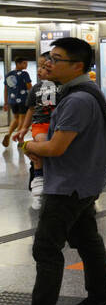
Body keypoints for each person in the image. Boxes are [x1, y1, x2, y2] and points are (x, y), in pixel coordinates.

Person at [10, 38, 106, 305]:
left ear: (77, 66)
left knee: (45, 249)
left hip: (68, 184)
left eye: (56, 59)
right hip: (84, 180)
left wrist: (27, 145)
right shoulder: (82, 93)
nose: (48, 64)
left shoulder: (76, 100)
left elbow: (56, 147)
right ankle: (101, 297)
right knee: (87, 239)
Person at [10, 53, 58, 210]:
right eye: (39, 66)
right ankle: (38, 188)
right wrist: (24, 128)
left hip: (57, 126)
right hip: (40, 125)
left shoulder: (61, 86)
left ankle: (44, 187)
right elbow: (31, 109)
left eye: (44, 66)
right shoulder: (38, 88)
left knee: (46, 154)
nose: (40, 70)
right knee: (40, 151)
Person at [3, 54, 32, 147]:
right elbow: (29, 87)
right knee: (22, 120)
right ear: (18, 64)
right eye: (24, 63)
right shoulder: (24, 74)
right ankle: (20, 139)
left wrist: (6, 102)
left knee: (16, 118)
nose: (26, 65)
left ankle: (9, 133)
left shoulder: (8, 74)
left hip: (12, 101)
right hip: (23, 100)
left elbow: (6, 89)